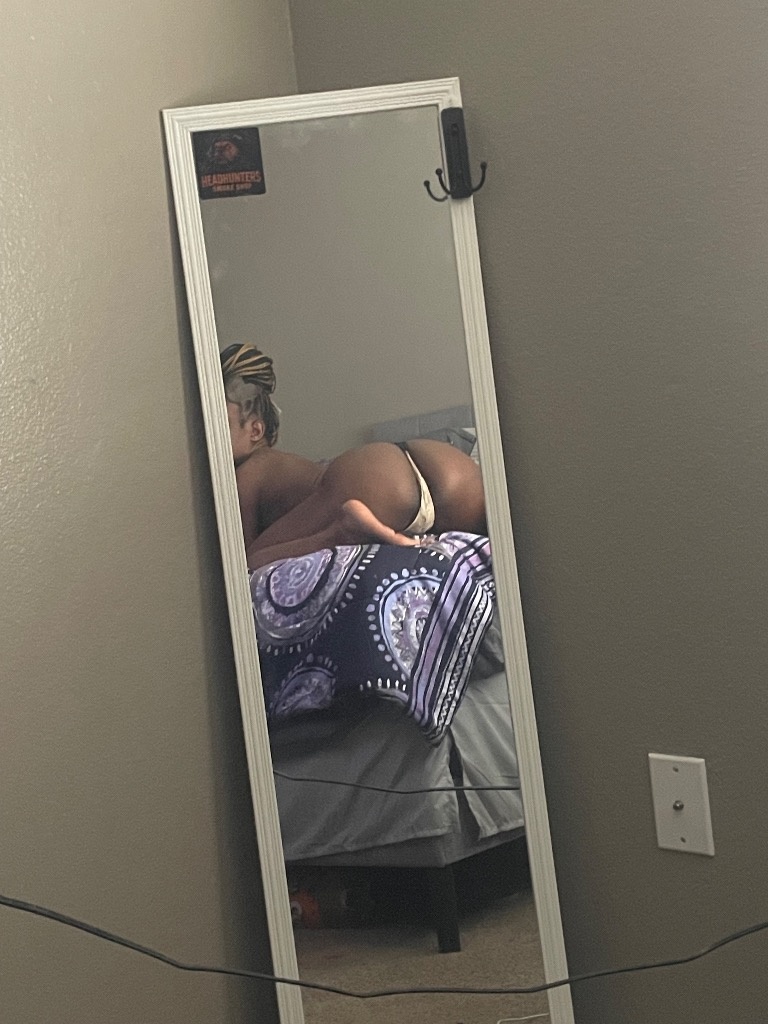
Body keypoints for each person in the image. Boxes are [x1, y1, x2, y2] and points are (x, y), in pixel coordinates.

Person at [221, 343, 487, 570]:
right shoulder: (279, 465)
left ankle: (344, 530)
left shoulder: (249, 472)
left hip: (371, 484)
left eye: (221, 425)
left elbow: (240, 562)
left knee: (251, 563)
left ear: (256, 431)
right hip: (443, 463)